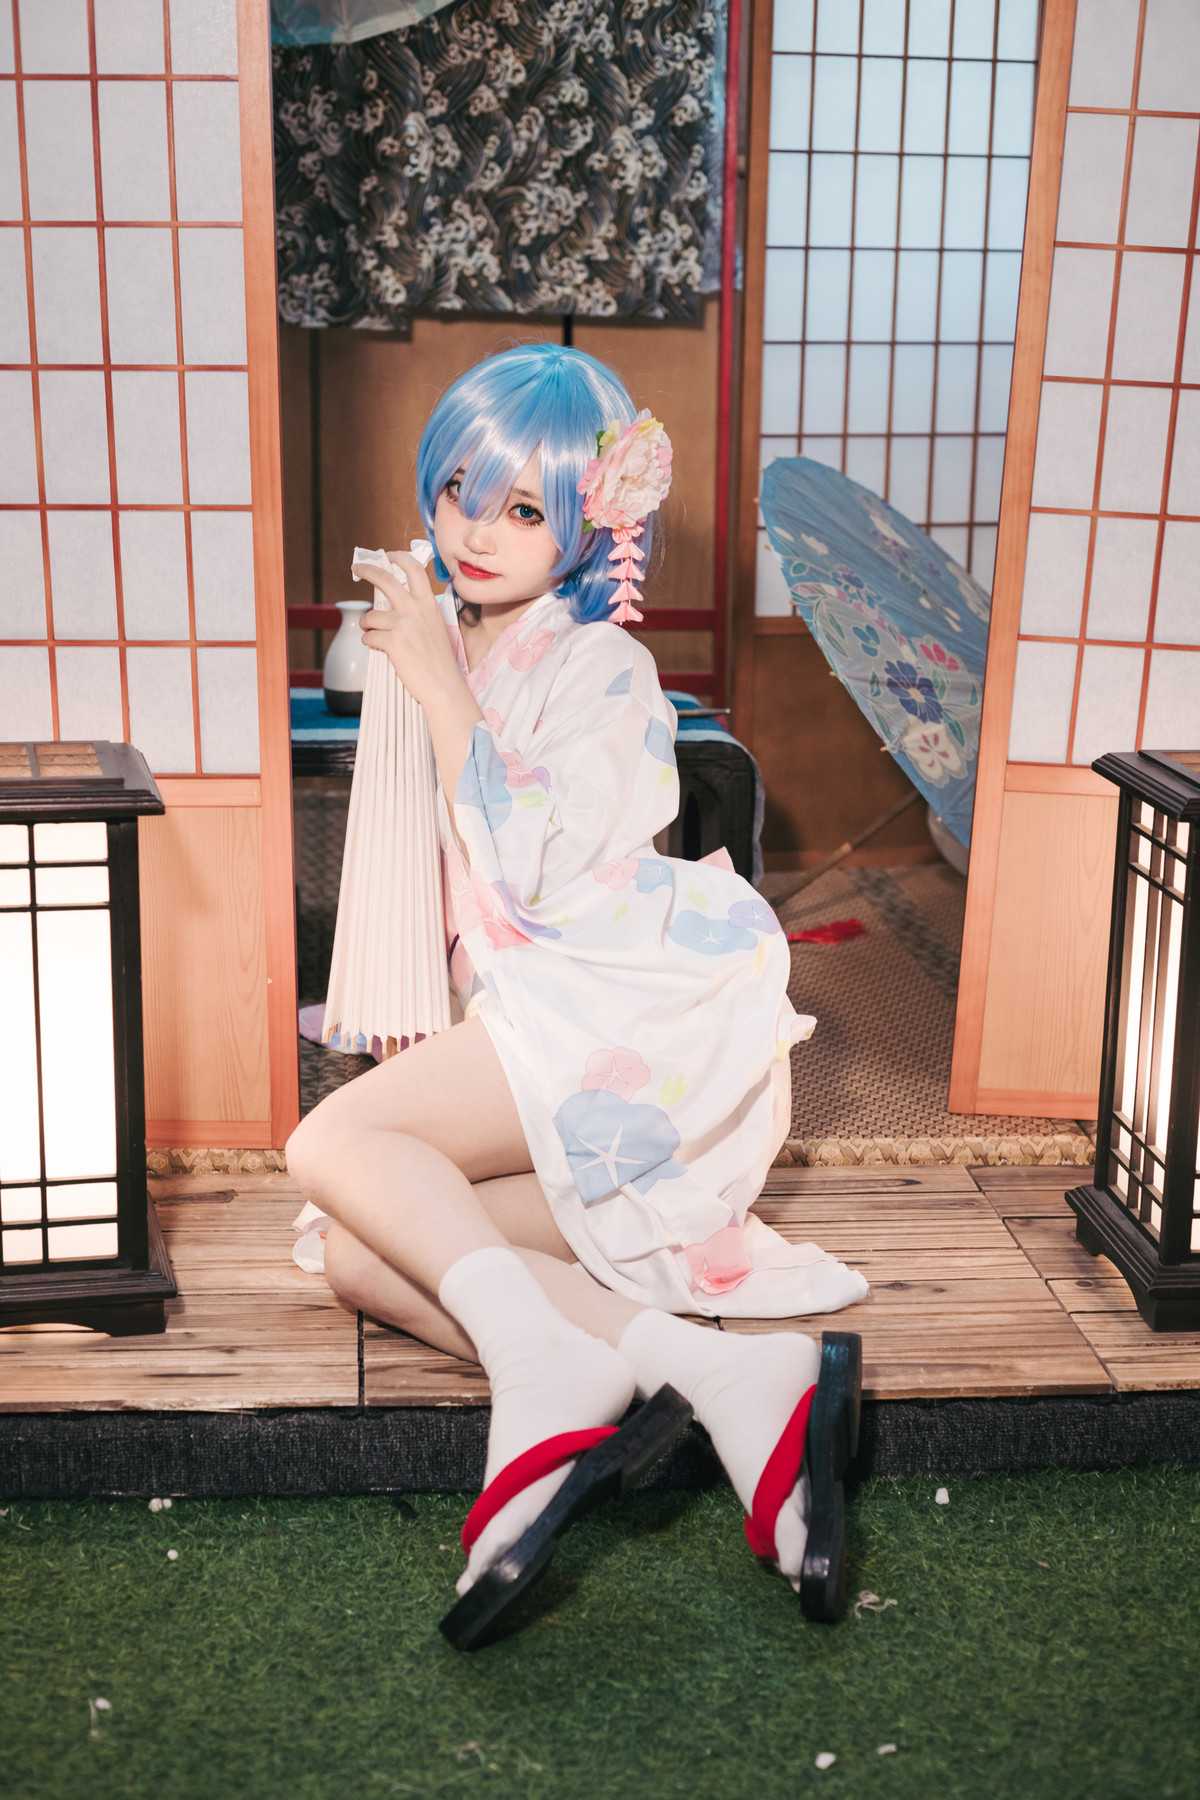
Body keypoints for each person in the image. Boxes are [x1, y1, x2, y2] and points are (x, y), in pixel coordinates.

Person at [285, 343, 867, 1647]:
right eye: (458, 491)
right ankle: (716, 1373)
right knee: (358, 1249)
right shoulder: (454, 639)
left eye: (522, 508)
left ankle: (548, 1368)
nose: (475, 530)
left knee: (329, 1145)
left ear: (588, 524)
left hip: (617, 1018)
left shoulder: (605, 665)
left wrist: (439, 686)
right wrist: (426, 671)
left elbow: (535, 873)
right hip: (525, 1014)